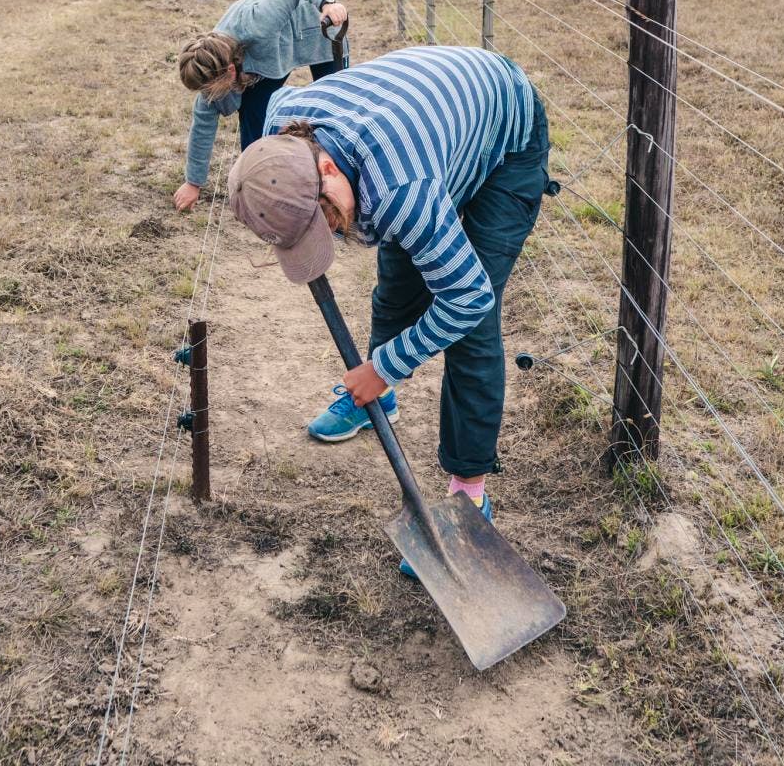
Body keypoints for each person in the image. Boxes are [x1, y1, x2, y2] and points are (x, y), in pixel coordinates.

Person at [226, 46, 551, 576]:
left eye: (325, 219)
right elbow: (282, 95)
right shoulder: (281, 130)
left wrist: (383, 366)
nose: (329, 234)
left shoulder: (402, 190)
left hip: (503, 134)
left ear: (326, 167)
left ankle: (469, 491)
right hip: (425, 131)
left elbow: (467, 298)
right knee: (398, 281)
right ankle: (381, 402)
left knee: (471, 327)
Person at [172, 0, 348, 212]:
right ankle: (260, 185)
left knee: (331, 110)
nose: (208, 98)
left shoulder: (258, 23)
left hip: (316, 27)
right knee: (254, 116)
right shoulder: (212, 66)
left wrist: (327, 3)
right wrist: (193, 182)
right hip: (265, 59)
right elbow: (202, 124)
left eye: (211, 91)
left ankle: (339, 178)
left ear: (230, 71)